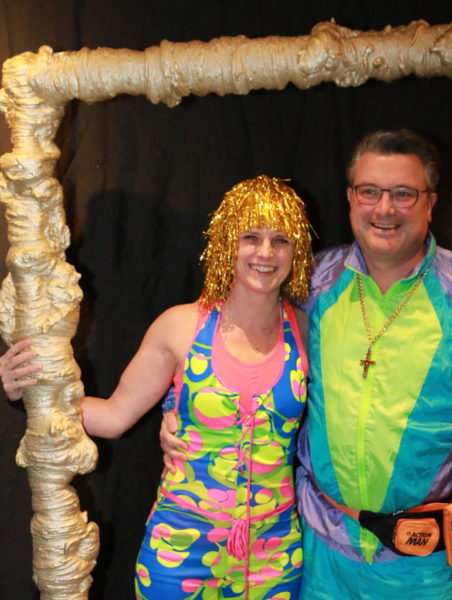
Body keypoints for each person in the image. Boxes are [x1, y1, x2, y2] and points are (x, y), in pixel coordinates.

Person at [160, 129, 452, 599]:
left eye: (403, 194)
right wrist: (178, 406)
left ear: (431, 203)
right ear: (351, 199)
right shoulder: (311, 284)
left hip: (425, 570)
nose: (384, 209)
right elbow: (231, 339)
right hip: (319, 558)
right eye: (369, 191)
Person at [0, 175, 313, 600]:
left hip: (274, 555)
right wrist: (32, 394)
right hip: (181, 550)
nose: (265, 252)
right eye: (251, 237)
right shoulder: (180, 326)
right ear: (227, 242)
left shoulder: (306, 330)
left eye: (281, 240)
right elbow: (114, 417)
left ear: (297, 250)